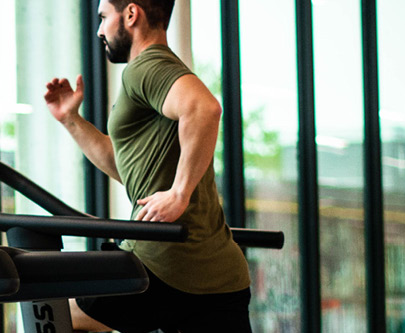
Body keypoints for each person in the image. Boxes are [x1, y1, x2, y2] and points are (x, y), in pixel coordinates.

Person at [44, 0, 252, 331]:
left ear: (130, 14)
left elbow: (205, 109)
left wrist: (179, 193)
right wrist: (71, 119)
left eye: (103, 17)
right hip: (220, 274)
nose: (100, 30)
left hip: (164, 264)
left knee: (53, 318)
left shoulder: (147, 66)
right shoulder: (157, 70)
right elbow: (126, 166)